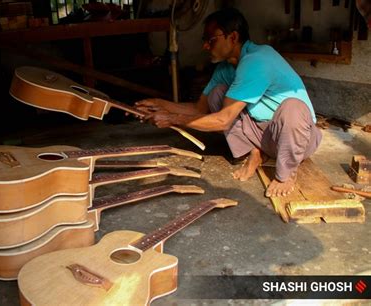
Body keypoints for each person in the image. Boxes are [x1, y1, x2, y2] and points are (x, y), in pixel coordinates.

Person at [135, 8, 322, 198]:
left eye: (211, 40)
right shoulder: (225, 68)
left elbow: (223, 120)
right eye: (205, 40)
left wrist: (172, 119)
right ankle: (255, 151)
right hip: (263, 135)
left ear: (233, 37)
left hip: (298, 138)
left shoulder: (257, 60)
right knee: (217, 94)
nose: (205, 47)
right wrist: (159, 104)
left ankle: (286, 174)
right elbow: (199, 108)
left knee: (293, 107)